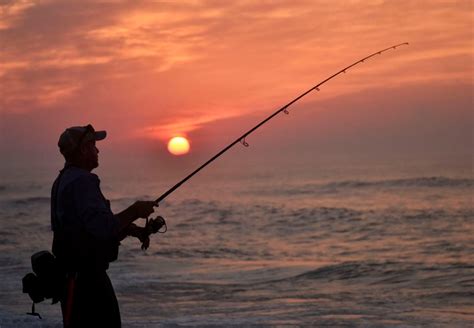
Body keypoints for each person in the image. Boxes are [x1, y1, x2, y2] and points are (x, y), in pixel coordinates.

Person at [51, 124, 156, 327]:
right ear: (83, 150)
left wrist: (133, 230)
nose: (97, 150)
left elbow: (87, 229)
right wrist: (135, 210)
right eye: (93, 145)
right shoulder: (83, 181)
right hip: (88, 283)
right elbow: (104, 228)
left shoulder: (64, 179)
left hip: (73, 280)